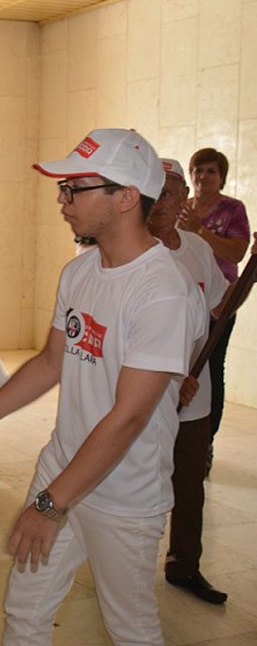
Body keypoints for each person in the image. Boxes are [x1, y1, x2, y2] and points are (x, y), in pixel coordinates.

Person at [0, 129, 206, 645]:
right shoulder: (79, 271)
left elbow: (128, 417)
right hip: (62, 468)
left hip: (123, 493)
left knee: (130, 628)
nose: (62, 200)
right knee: (25, 611)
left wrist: (49, 505)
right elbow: (51, 362)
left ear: (125, 197)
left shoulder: (163, 292)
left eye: (75, 188)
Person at [149, 158, 231, 604]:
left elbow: (217, 310)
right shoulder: (130, 251)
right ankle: (117, 564)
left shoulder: (197, 250)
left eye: (170, 193)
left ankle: (184, 565)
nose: (161, 202)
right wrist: (167, 380)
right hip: (142, 398)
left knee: (188, 484)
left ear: (184, 200)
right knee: (134, 481)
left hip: (194, 394)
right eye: (154, 192)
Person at [177, 147, 249, 472]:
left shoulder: (233, 209)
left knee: (210, 369)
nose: (203, 177)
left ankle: (205, 441)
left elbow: (236, 254)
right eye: (198, 170)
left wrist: (201, 232)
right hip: (181, 300)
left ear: (221, 177)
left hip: (219, 302)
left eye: (210, 171)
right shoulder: (180, 207)